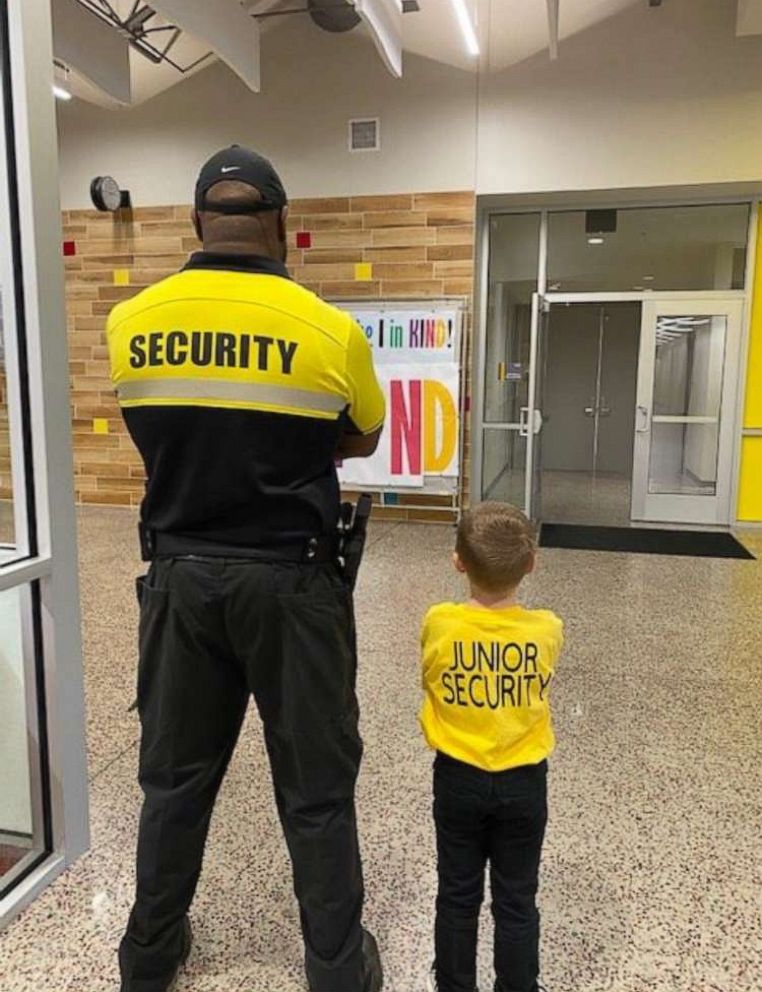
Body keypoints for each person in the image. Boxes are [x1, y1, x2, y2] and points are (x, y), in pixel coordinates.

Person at [106, 145, 385, 992]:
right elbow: (363, 434)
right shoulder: (328, 327)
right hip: (294, 586)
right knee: (315, 791)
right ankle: (337, 969)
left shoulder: (132, 322)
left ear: (196, 222)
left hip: (181, 580)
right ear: (284, 228)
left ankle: (149, 958)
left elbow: (160, 432)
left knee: (174, 783)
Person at [418, 502, 563, 992]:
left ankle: (455, 985)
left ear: (458, 561)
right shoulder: (546, 629)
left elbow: (429, 679)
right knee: (517, 898)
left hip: (457, 775)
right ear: (531, 564)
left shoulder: (440, 622)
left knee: (456, 895)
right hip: (524, 779)